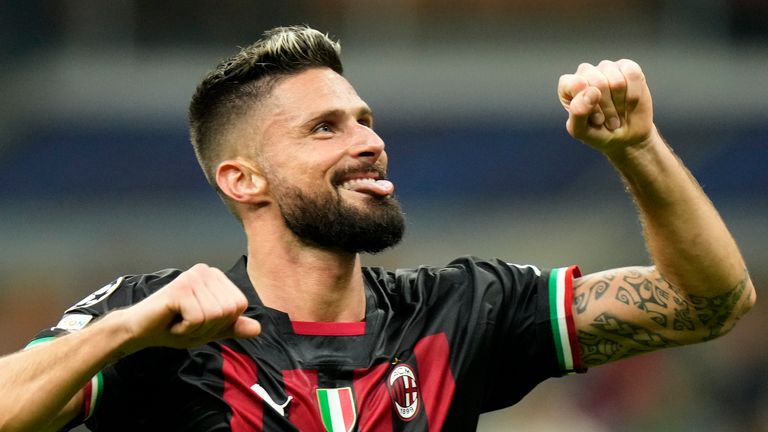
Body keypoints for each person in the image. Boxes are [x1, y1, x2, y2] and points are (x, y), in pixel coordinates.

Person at [0, 25, 755, 431]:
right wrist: (119, 334)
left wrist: (638, 150)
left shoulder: (464, 310)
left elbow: (710, 303)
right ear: (243, 179)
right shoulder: (161, 324)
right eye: (325, 129)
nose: (368, 141)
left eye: (365, 120)